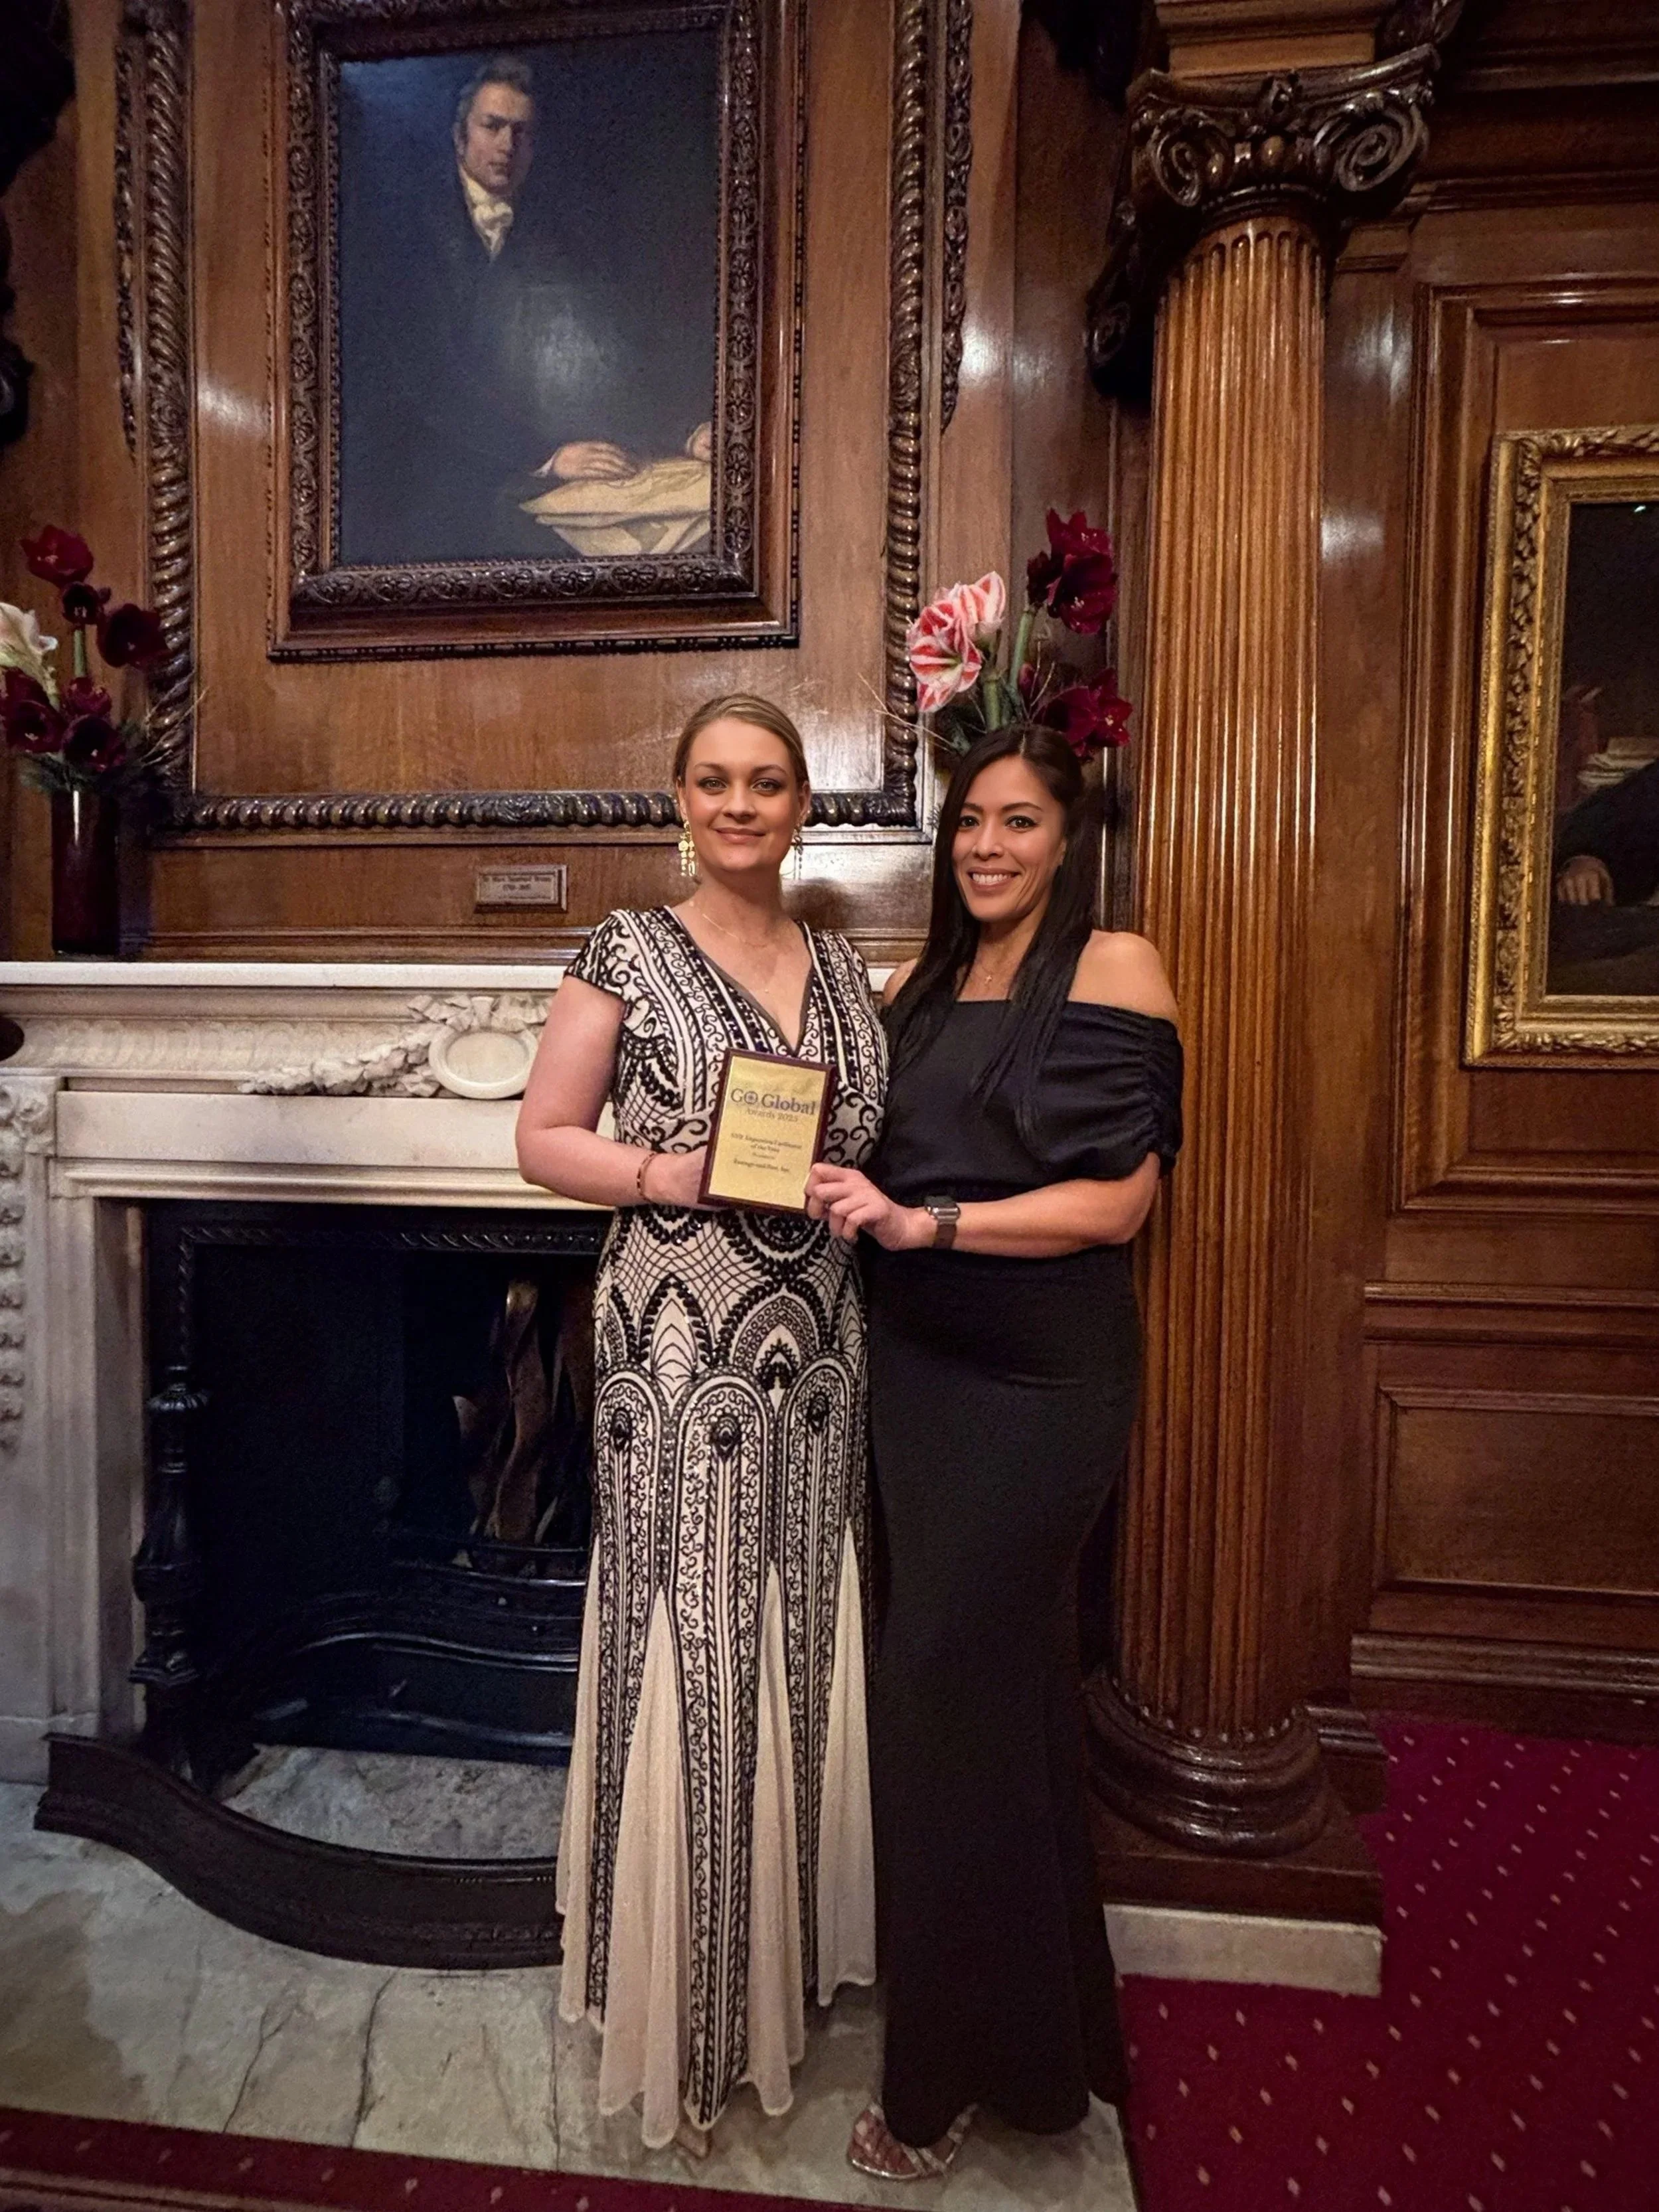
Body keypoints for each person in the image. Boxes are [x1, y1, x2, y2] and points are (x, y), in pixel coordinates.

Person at [805, 722, 1182, 2181]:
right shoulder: (908, 987)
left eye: (1018, 821)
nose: (987, 846)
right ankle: (1042, 2053)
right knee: (1006, 1700)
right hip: (916, 1369)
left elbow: (1115, 1205)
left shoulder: (1113, 966)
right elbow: (857, 1153)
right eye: (969, 822)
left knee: (929, 1689)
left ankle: (932, 2078)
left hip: (1040, 1376)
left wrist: (928, 1226)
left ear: (1064, 836)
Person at [515, 693, 887, 2154]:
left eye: (769, 781)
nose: (742, 804)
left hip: (821, 1353)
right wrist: (663, 1176)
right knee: (699, 1636)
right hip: (676, 1346)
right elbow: (541, 1137)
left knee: (793, 1635)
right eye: (715, 781)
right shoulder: (624, 949)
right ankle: (680, 2001)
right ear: (678, 797)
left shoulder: (848, 963)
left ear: (802, 803)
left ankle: (778, 1973)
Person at [340, 54, 712, 564]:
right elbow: (430, 381)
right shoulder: (404, 232)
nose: (507, 146)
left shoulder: (557, 231)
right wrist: (548, 456)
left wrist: (684, 429)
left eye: (522, 133)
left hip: (517, 476)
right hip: (415, 475)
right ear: (459, 136)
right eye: (492, 127)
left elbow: (609, 351)